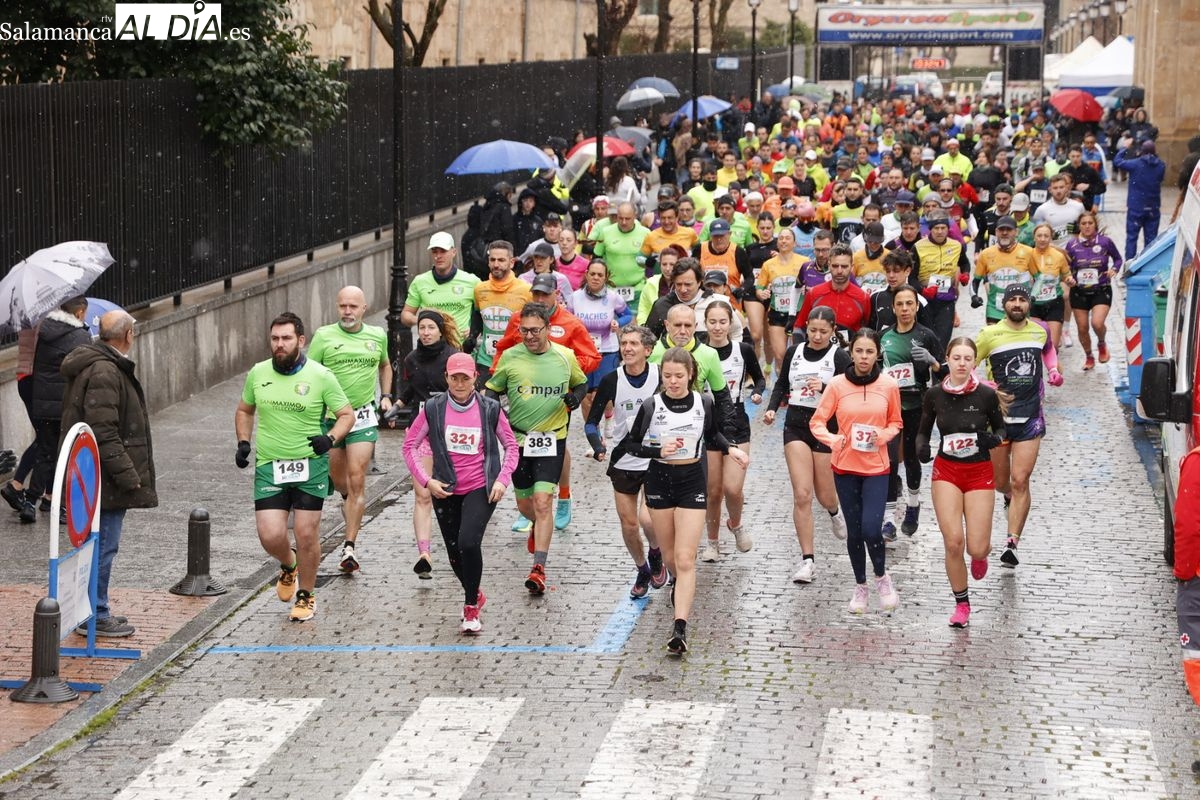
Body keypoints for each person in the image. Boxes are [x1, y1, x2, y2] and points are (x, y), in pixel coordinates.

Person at [616, 347, 749, 654]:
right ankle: (675, 581)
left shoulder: (704, 403)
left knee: (687, 558)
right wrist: (657, 451)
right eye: (667, 376)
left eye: (678, 376)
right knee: (672, 558)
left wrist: (731, 449)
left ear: (691, 375)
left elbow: (713, 435)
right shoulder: (652, 405)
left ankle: (679, 628)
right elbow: (630, 445)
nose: (673, 382)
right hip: (659, 482)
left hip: (691, 481)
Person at [234, 312, 354, 622]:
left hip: (310, 465)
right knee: (270, 535)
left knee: (306, 533)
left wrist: (330, 439)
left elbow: (346, 415)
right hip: (270, 465)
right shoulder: (258, 373)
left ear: (300, 340)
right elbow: (245, 410)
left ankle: (306, 595)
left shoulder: (321, 376)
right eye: (275, 338)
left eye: (286, 338)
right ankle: (290, 565)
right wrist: (243, 441)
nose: (280, 344)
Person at [402, 353, 518, 633]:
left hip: (480, 487)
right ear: (446, 378)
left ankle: (470, 607)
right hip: (445, 489)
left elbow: (512, 446)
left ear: (475, 378)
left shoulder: (490, 409)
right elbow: (409, 446)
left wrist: (502, 480)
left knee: (468, 543)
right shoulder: (433, 408)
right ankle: (474, 591)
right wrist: (427, 481)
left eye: (465, 377)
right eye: (454, 377)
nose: (460, 383)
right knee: (454, 554)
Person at [60, 311, 157, 638]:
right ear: (128, 335)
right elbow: (103, 431)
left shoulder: (100, 363)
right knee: (102, 546)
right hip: (103, 479)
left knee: (97, 544)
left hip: (96, 475)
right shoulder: (105, 370)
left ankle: (91, 611)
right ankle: (95, 614)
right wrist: (129, 475)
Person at [485, 303, 588, 594]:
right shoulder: (510, 356)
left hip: (552, 439)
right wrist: (494, 413)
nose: (529, 336)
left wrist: (575, 398)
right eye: (524, 331)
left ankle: (538, 567)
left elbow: (581, 384)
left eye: (535, 330)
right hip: (518, 440)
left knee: (543, 502)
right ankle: (537, 525)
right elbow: (493, 389)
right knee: (526, 505)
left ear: (548, 329)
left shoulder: (565, 356)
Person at [493, 274, 600, 532]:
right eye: (536, 294)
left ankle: (563, 497)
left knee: (555, 446)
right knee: (522, 447)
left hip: (558, 398)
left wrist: (561, 372)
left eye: (545, 294)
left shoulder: (571, 323)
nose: (540, 298)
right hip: (524, 393)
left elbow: (592, 356)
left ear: (557, 294)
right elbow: (503, 348)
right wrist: (499, 372)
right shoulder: (519, 319)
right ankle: (528, 505)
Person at [810, 328, 902, 614]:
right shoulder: (837, 385)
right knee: (855, 531)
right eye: (859, 351)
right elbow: (817, 422)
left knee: (872, 529)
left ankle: (881, 577)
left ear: (878, 354)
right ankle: (860, 586)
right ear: (851, 352)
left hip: (876, 468)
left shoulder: (889, 385)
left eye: (869, 352)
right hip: (845, 467)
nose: (864, 357)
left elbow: (896, 422)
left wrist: (883, 436)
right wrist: (832, 439)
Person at [917, 337, 1007, 628]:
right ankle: (962, 604)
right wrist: (922, 447)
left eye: (968, 359)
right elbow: (923, 430)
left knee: (975, 548)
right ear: (947, 359)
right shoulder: (934, 395)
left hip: (979, 472)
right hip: (947, 472)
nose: (961, 363)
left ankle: (982, 554)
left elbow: (1002, 429)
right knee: (954, 542)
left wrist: (993, 439)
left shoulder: (986, 395)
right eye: (956, 358)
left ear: (974, 363)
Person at [974, 285, 1064, 569]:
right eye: (1012, 300)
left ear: (1029, 304)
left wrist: (1053, 369)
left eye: (1022, 300)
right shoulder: (989, 335)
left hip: (1030, 418)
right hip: (998, 420)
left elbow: (1049, 351)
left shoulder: (1040, 330)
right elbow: (966, 366)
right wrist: (982, 384)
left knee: (1020, 480)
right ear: (1003, 304)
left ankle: (1012, 543)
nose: (1017, 304)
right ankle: (1008, 498)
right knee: (1001, 483)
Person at [307, 286, 393, 573]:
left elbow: (385, 365)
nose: (347, 311)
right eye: (343, 306)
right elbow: (310, 373)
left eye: (353, 306)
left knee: (357, 477)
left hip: (362, 417)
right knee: (340, 480)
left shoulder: (377, 335)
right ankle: (347, 499)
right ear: (337, 307)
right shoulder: (324, 336)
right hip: (331, 420)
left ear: (364, 308)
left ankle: (349, 547)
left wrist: (386, 395)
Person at [763, 306, 851, 584]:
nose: (817, 336)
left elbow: (849, 392)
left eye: (823, 331)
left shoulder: (839, 356)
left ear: (833, 331)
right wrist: (772, 408)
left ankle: (834, 512)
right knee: (802, 494)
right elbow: (781, 384)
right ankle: (807, 561)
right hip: (796, 426)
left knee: (825, 496)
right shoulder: (795, 352)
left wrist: (825, 388)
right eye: (812, 330)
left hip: (824, 428)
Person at [585, 325, 669, 599]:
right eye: (624, 344)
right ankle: (642, 568)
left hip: (656, 458)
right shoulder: (612, 379)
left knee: (649, 520)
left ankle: (656, 553)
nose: (627, 348)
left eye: (634, 344)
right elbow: (591, 423)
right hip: (624, 459)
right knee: (629, 524)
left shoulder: (661, 375)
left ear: (648, 350)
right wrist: (598, 447)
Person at [398, 310, 460, 577]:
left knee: (451, 493)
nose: (425, 332)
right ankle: (424, 554)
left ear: (440, 330)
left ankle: (458, 546)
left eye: (430, 327)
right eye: (421, 327)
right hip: (420, 432)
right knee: (422, 494)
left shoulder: (453, 357)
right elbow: (411, 391)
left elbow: (464, 391)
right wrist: (394, 403)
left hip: (449, 433)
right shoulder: (411, 359)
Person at [700, 300, 763, 561]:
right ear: (705, 323)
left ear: (730, 324)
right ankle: (712, 543)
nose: (717, 327)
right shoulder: (699, 351)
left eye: (722, 322)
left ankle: (736, 524)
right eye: (712, 322)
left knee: (733, 488)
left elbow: (759, 378)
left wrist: (757, 392)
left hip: (736, 419)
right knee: (713, 491)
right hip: (706, 422)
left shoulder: (743, 350)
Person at [879, 286, 943, 541]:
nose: (905, 309)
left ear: (916, 307)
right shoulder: (883, 336)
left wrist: (932, 362)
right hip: (889, 409)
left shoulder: (926, 335)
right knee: (889, 460)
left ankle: (913, 505)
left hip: (917, 406)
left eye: (909, 304)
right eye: (900, 304)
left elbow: (944, 372)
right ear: (893, 308)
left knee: (913, 458)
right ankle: (888, 519)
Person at [30, 295, 92, 514]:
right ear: (79, 312)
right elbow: (84, 370)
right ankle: (57, 502)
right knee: (66, 453)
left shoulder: (46, 330)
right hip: (66, 402)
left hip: (43, 402)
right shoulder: (80, 336)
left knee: (45, 451)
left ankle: (30, 500)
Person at [464, 240, 531, 387]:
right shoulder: (480, 289)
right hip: (486, 360)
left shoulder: (526, 290)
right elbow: (477, 316)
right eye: (492, 260)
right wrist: (472, 337)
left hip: (516, 360)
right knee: (484, 398)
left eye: (501, 260)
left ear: (511, 262)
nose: (496, 264)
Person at [571, 258, 632, 420]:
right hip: (583, 352)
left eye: (600, 275)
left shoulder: (613, 297)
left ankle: (609, 418)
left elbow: (627, 315)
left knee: (605, 394)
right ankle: (592, 430)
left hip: (607, 350)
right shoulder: (575, 297)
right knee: (586, 396)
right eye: (592, 274)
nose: (596, 278)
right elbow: (567, 319)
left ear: (606, 277)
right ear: (586, 275)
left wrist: (618, 323)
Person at [1064, 212, 1122, 371]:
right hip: (1079, 291)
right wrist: (1068, 278)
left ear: (1095, 224)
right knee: (1082, 327)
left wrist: (1114, 269)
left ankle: (1101, 342)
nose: (1087, 226)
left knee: (1097, 323)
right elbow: (1065, 267)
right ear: (1079, 226)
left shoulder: (1105, 242)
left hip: (1101, 289)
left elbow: (1118, 259)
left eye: (1090, 223)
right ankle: (1089, 356)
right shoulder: (1072, 245)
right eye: (1083, 223)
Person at [401, 231, 481, 338]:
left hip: (461, 346)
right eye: (434, 252)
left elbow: (486, 312)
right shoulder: (420, 281)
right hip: (430, 345)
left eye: (443, 251)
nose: (438, 256)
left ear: (454, 252)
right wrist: (422, 320)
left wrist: (476, 330)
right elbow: (406, 314)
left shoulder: (472, 281)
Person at [2, 326, 43, 523]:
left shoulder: (29, 317)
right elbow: (41, 349)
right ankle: (16, 485)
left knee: (44, 437)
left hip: (25, 377)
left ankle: (21, 487)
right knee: (45, 438)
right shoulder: (41, 319)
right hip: (34, 378)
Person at [913, 212, 969, 349]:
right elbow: (911, 277)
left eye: (943, 228)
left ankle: (940, 361)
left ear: (948, 229)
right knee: (925, 340)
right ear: (930, 229)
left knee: (942, 341)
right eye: (936, 228)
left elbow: (965, 263)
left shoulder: (956, 246)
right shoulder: (918, 247)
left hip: (946, 300)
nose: (940, 231)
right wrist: (922, 291)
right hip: (924, 300)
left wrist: (965, 274)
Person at [792, 243, 872, 340]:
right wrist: (799, 347)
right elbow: (799, 327)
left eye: (844, 266)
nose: (839, 271)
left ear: (851, 267)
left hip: (849, 348)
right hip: (818, 348)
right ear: (829, 265)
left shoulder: (863, 298)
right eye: (835, 266)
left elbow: (868, 330)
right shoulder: (814, 293)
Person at [755, 226, 805, 375]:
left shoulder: (804, 262)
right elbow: (759, 288)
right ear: (777, 243)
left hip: (798, 313)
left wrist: (807, 289)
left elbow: (812, 283)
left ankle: (795, 383)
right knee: (780, 356)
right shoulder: (768, 264)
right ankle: (782, 385)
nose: (784, 241)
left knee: (798, 355)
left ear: (794, 243)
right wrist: (762, 293)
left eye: (787, 238)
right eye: (781, 238)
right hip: (777, 313)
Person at [970, 215, 1037, 325]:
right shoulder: (986, 254)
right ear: (996, 232)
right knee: (994, 336)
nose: (1005, 233)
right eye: (1001, 229)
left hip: (1019, 310)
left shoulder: (1029, 252)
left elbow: (1039, 278)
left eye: (1009, 230)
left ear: (1016, 232)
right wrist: (974, 296)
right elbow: (975, 281)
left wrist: (1033, 296)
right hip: (995, 310)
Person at [1115, 140, 1167, 259]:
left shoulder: (1135, 164)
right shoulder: (1161, 165)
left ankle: (1130, 263)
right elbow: (1160, 179)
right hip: (1153, 207)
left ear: (1141, 151)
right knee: (1151, 240)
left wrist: (1124, 147)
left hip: (1136, 206)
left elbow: (1117, 161)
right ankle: (1148, 262)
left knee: (1132, 238)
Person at [1028, 223, 1072, 350]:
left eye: (1046, 236)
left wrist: (1069, 280)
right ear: (1034, 237)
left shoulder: (1058, 256)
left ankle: (1053, 366)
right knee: (1036, 346)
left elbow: (1066, 274)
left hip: (1054, 302)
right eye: (1039, 236)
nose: (1042, 239)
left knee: (1053, 347)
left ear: (1051, 238)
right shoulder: (1027, 255)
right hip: (1034, 304)